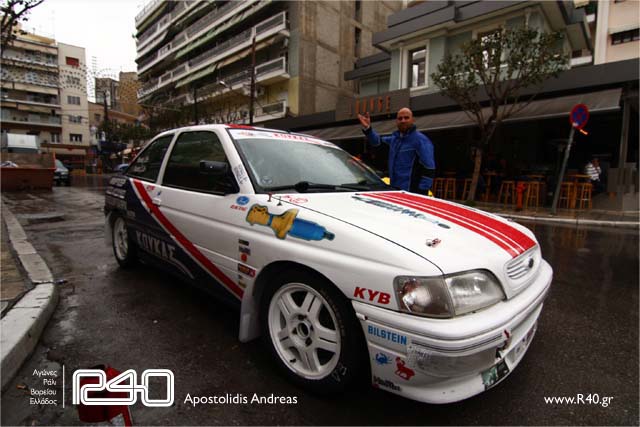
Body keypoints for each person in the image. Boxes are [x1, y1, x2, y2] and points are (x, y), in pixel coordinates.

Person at [357, 108, 435, 194]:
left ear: (412, 120)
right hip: (395, 190)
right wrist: (367, 128)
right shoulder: (394, 139)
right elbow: (377, 142)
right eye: (400, 118)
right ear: (396, 121)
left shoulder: (421, 140)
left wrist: (422, 192)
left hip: (412, 192)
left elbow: (429, 168)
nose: (403, 120)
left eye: (406, 118)